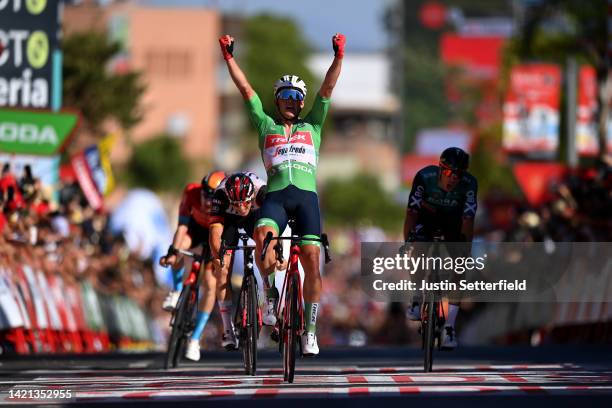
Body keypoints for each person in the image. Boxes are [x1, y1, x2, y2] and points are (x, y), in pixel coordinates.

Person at [219, 32, 345, 356]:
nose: (291, 101)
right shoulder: (266, 128)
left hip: (306, 199)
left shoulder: (313, 126)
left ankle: (311, 331)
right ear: (277, 100)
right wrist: (229, 58)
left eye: (296, 97)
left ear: (302, 102)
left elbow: (328, 89)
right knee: (262, 234)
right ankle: (271, 297)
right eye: (285, 96)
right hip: (275, 197)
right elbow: (246, 91)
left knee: (312, 262)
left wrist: (339, 57)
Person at [402, 147, 478, 350]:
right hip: (426, 220)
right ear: (440, 169)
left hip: (453, 223)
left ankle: (449, 327)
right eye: (448, 172)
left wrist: (465, 253)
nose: (453, 178)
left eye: (458, 174)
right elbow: (411, 213)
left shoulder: (470, 184)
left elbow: (468, 220)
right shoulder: (424, 177)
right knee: (418, 249)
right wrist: (408, 242)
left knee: (459, 267)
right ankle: (417, 297)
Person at [158, 170, 235, 361]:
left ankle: (194, 339)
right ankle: (176, 292)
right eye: (205, 194)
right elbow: (182, 228)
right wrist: (172, 251)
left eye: (213, 196)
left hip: (215, 235)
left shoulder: (226, 203)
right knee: (179, 249)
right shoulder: (191, 192)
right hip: (195, 229)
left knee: (210, 284)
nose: (208, 200)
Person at [207, 172, 267, 336]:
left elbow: (271, 229)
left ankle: (268, 299)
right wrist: (219, 258)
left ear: (251, 196)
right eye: (237, 204)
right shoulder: (220, 194)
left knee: (264, 246)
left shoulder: (261, 191)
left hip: (255, 217)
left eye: (245, 203)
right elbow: (215, 233)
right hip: (229, 220)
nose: (241, 208)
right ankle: (228, 328)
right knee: (223, 270)